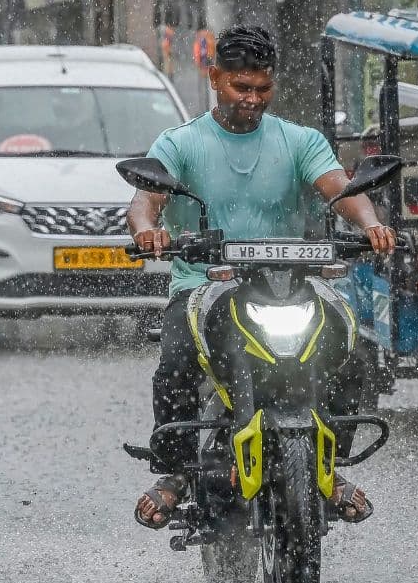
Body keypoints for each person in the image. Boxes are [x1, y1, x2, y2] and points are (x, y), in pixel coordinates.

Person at [129, 26, 397, 529]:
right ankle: (174, 473)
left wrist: (372, 223)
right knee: (177, 360)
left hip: (293, 283)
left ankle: (329, 465)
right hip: (203, 286)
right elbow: (145, 201)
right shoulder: (180, 143)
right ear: (215, 79)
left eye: (262, 89)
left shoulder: (300, 141)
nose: (252, 100)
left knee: (355, 354)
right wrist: (149, 231)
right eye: (240, 87)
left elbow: (340, 188)